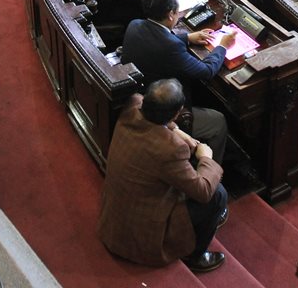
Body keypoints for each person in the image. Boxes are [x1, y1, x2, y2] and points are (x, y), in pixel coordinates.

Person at [97, 80, 228, 273]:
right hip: (142, 234)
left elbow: (145, 106)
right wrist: (206, 158)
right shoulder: (172, 149)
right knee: (217, 195)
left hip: (114, 219)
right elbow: (203, 191)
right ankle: (195, 256)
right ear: (177, 112)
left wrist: (177, 131)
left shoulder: (132, 105)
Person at [121, 0, 234, 166]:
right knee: (218, 121)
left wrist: (187, 38)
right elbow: (207, 71)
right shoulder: (171, 47)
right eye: (177, 11)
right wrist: (223, 46)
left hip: (137, 96)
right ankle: (210, 169)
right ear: (170, 15)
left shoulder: (134, 24)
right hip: (160, 110)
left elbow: (156, 41)